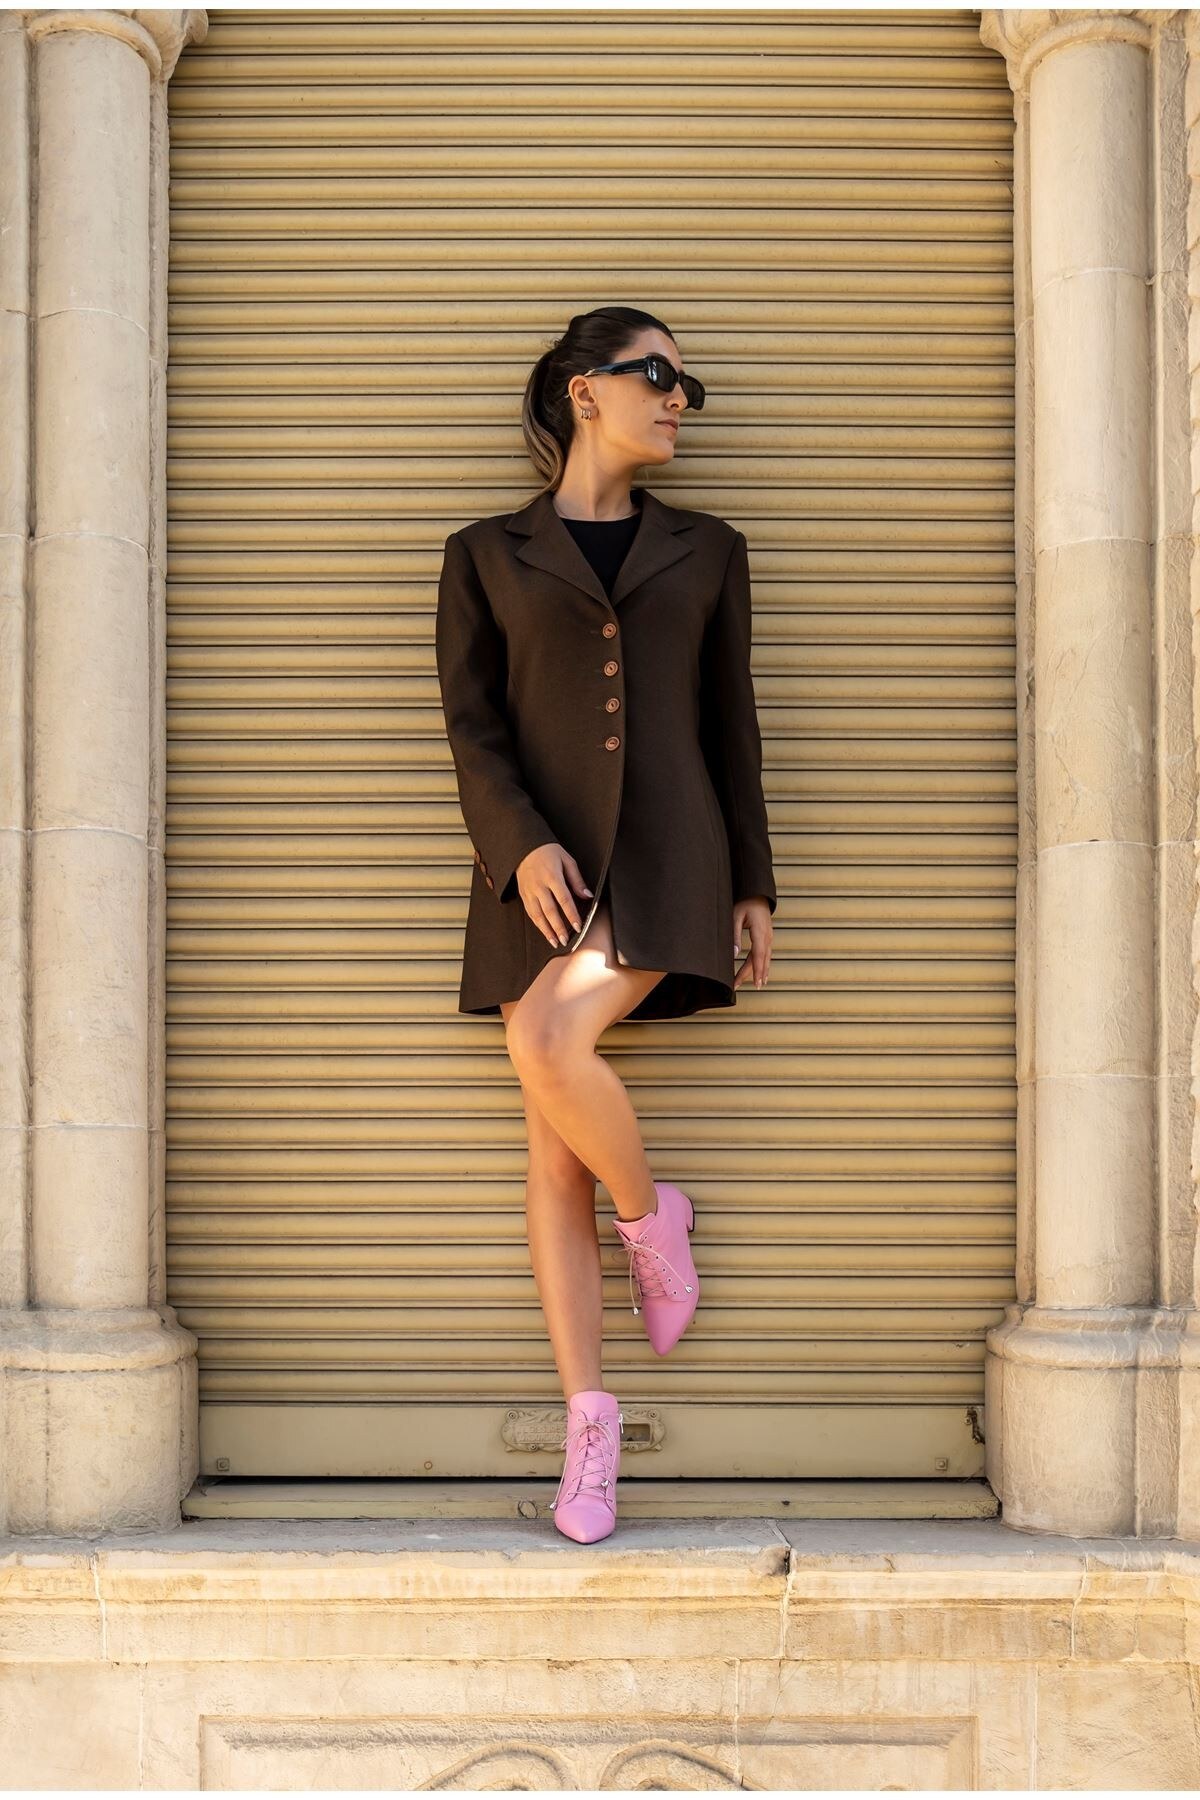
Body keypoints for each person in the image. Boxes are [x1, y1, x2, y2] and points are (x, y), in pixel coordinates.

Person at [435, 305, 776, 1543]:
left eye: (687, 386)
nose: (680, 400)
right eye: (658, 375)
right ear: (585, 390)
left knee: (545, 1044)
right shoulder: (484, 554)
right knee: (549, 1159)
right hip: (539, 873)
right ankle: (591, 1432)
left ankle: (650, 1216)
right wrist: (518, 843)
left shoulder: (711, 549)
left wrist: (754, 883)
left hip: (673, 855)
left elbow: (732, 724)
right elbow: (472, 728)